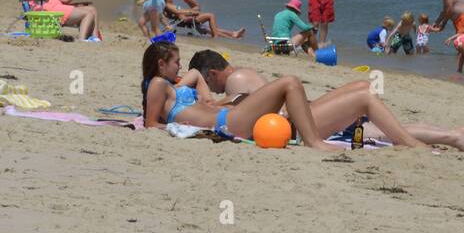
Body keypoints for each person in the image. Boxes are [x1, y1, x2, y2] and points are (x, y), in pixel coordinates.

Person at [142, 43, 436, 149]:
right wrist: (188, 128)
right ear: (160, 65)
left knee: (362, 88)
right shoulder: (157, 84)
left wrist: (197, 97)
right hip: (228, 121)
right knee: (290, 82)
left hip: (227, 117)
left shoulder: (176, 85)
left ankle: (409, 143)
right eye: (174, 62)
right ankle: (314, 143)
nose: (180, 67)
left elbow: (195, 78)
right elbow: (150, 123)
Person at [185, 50, 464, 151]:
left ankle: (429, 143)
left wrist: (214, 105)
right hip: (301, 117)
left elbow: (249, 110)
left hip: (299, 123)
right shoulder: (244, 73)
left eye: (207, 83)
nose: (208, 89)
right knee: (384, 129)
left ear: (212, 74)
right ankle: (454, 135)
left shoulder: (235, 80)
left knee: (373, 111)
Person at [162, 0, 245, 39]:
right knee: (210, 16)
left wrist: (192, 12)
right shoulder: (169, 6)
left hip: (190, 20)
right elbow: (181, 17)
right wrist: (191, 13)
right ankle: (217, 37)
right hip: (190, 20)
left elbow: (178, 14)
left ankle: (233, 34)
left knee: (212, 29)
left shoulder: (169, 6)